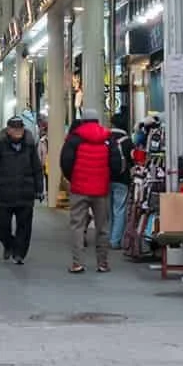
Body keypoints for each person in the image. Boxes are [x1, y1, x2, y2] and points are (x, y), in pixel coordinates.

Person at [58, 109, 124, 273]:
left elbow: (65, 161)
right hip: (101, 189)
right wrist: (107, 178)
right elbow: (116, 163)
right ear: (97, 120)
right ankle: (102, 263)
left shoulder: (74, 138)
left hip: (79, 189)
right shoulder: (108, 137)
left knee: (77, 226)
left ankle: (77, 263)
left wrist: (73, 178)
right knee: (102, 227)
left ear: (83, 121)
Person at [0, 114, 44, 265]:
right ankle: (9, 244)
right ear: (8, 130)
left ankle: (19, 253)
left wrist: (39, 188)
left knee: (24, 226)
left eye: (20, 128)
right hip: (4, 193)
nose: (18, 131)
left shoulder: (29, 147)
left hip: (25, 193)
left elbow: (37, 169)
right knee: (3, 225)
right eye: (14, 128)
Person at [107, 113, 136, 250]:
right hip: (122, 180)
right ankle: (115, 240)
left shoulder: (105, 139)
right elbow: (133, 161)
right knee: (119, 209)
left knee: (108, 210)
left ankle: (108, 237)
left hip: (105, 178)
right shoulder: (128, 141)